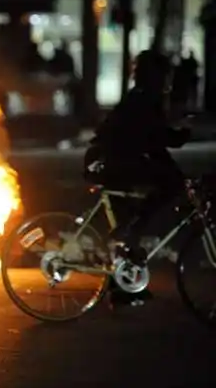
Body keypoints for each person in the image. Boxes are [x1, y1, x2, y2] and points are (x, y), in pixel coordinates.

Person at [83, 50, 190, 304]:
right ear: (156, 76)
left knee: (127, 223)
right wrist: (180, 138)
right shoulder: (145, 100)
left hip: (113, 162)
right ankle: (132, 236)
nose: (168, 82)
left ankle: (123, 286)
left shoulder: (141, 97)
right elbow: (156, 141)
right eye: (166, 76)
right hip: (111, 164)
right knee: (157, 196)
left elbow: (153, 145)